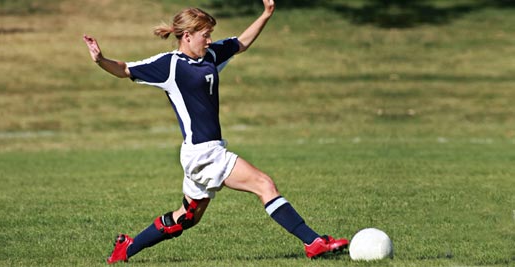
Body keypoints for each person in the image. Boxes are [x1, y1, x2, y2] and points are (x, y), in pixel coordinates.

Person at [83, 0, 349, 264]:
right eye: (205, 35)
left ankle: (126, 249)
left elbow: (241, 43)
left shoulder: (209, 56)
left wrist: (266, 14)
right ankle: (313, 242)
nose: (210, 40)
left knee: (187, 218)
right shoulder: (170, 66)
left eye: (210, 34)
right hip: (203, 154)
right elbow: (126, 68)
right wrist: (100, 60)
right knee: (264, 184)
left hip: (205, 152)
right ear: (187, 36)